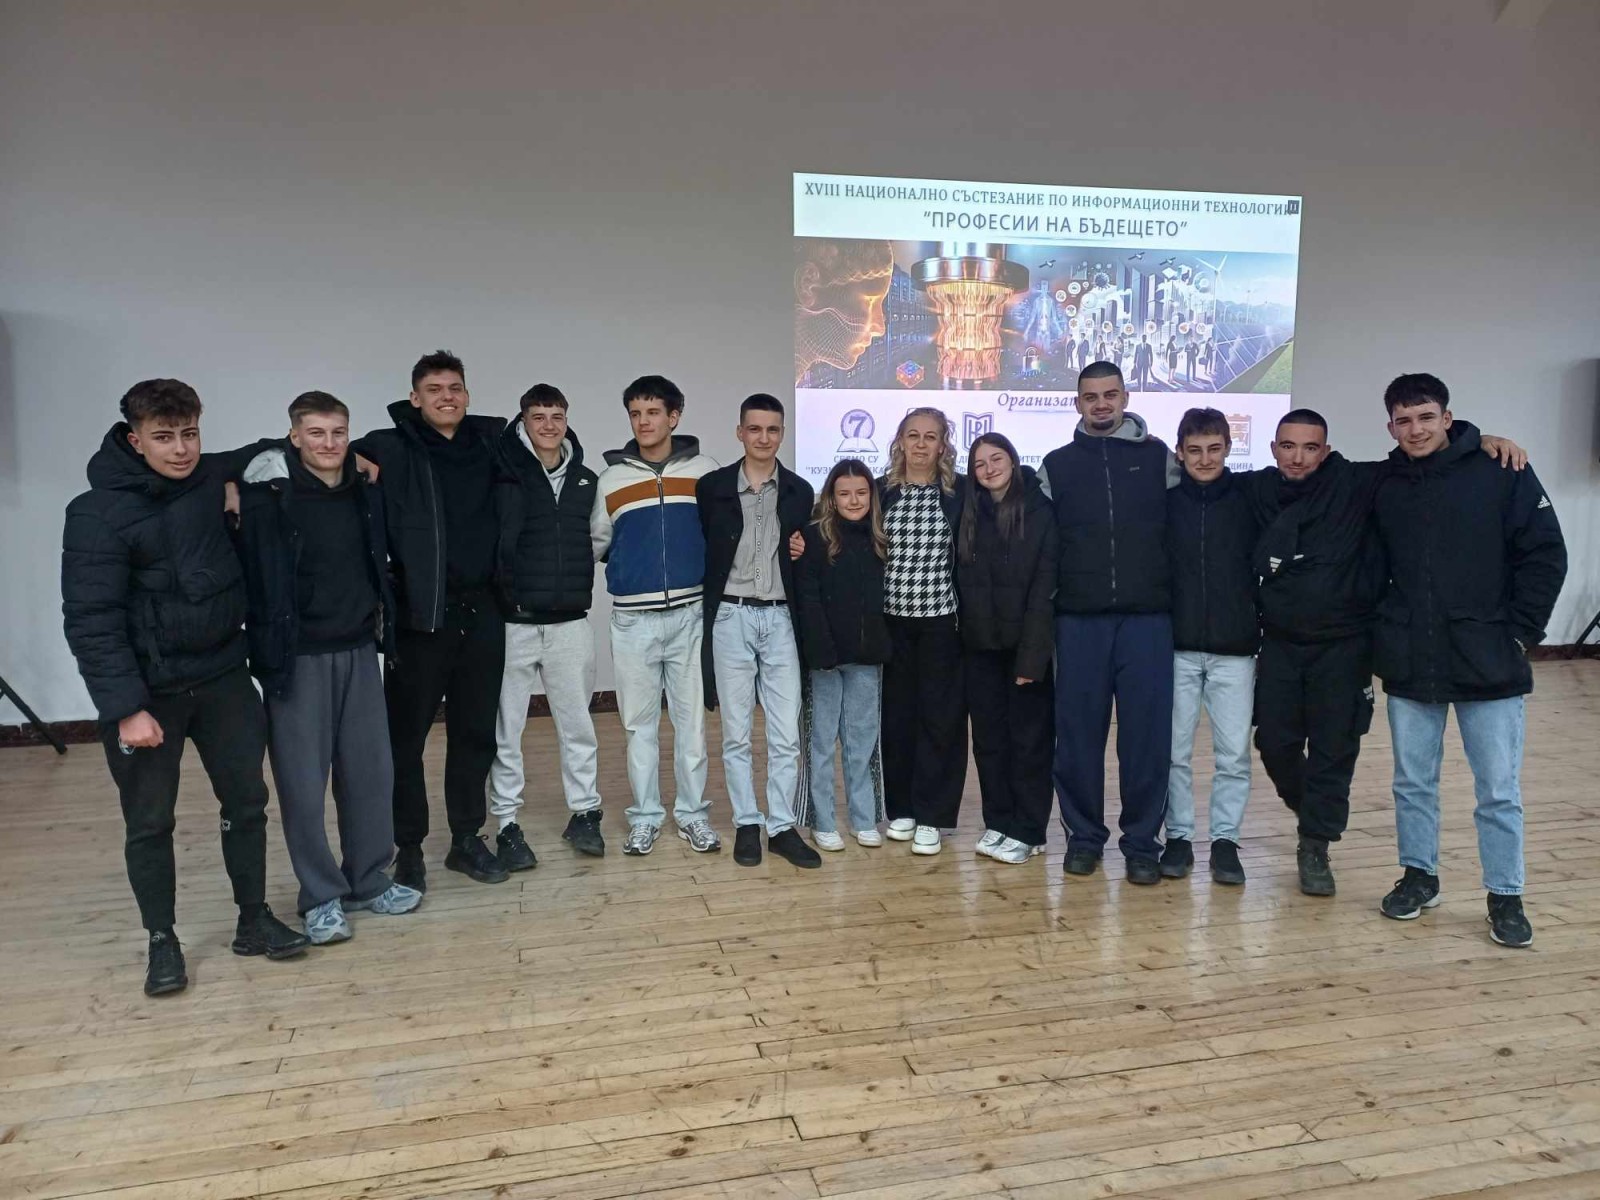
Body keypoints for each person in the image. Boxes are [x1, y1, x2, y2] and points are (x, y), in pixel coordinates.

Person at [61, 379, 308, 997]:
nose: (181, 450)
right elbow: (90, 621)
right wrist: (126, 708)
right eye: (165, 437)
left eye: (190, 434)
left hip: (224, 678)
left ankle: (253, 920)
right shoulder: (95, 513)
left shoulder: (208, 476)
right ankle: (162, 939)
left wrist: (353, 454)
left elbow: (269, 447)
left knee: (246, 803)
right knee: (150, 822)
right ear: (134, 440)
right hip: (149, 695)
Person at [1243, 409, 1527, 897]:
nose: (1298, 457)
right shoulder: (1255, 490)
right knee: (1274, 744)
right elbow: (1199, 475)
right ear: (1273, 449)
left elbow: (1425, 457)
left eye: (1310, 447)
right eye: (1288, 446)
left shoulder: (1358, 482)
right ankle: (1313, 811)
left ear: (1326, 451)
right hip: (1281, 644)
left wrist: (1478, 441)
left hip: (1346, 646)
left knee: (1334, 749)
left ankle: (1315, 843)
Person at [1371, 374, 1565, 948]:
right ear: (1390, 427)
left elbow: (1545, 553)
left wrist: (1521, 634)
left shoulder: (1502, 470)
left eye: (1426, 417)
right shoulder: (1382, 483)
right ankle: (1419, 876)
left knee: (1498, 789)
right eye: (1404, 420)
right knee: (1412, 782)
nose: (1416, 430)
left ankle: (1505, 895)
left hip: (1490, 661)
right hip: (1412, 658)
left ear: (1447, 418)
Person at [235, 391, 421, 944]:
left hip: (359, 649)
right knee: (303, 785)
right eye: (315, 433)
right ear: (294, 437)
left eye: (338, 432)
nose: (329, 443)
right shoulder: (267, 494)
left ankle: (368, 880)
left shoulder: (365, 491)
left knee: (370, 775)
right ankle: (320, 897)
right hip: (297, 658)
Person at [351, 350, 510, 891]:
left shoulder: (491, 443)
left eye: (455, 388)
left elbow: (551, 445)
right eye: (435, 389)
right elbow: (310, 449)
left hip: (483, 611)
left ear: (467, 395)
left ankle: (466, 839)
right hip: (421, 618)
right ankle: (410, 848)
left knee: (474, 734)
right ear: (415, 397)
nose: (447, 397)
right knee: (406, 740)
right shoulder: (387, 447)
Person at [1039, 362, 1177, 884]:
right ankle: (1083, 838)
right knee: (1077, 738)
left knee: (1146, 740)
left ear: (1125, 397)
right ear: (1077, 402)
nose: (1101, 404)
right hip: (1079, 623)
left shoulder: (1160, 459)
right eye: (1091, 396)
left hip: (1147, 622)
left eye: (1110, 395)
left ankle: (1141, 844)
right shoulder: (1056, 466)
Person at [591, 375, 720, 856]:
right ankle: (645, 817)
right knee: (638, 725)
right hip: (632, 621)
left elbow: (721, 532)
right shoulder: (611, 480)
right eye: (635, 414)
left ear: (674, 417)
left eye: (652, 412)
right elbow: (599, 543)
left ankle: (692, 815)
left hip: (690, 615)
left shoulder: (706, 472)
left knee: (691, 725)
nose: (643, 422)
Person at [698, 394, 820, 869]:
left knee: (785, 732)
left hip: (781, 618)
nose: (763, 437)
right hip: (730, 616)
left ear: (782, 434)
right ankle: (747, 822)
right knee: (736, 732)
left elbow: (806, 551)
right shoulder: (712, 488)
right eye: (755, 428)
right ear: (740, 432)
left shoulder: (799, 491)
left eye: (772, 429)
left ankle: (782, 826)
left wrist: (802, 549)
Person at [490, 383, 605, 864]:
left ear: (566, 420)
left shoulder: (587, 480)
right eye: (538, 417)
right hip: (513, 623)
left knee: (578, 726)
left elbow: (598, 539)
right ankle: (506, 824)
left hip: (570, 624)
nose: (548, 425)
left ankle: (585, 814)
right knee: (506, 731)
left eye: (556, 416)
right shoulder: (503, 474)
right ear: (523, 421)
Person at [1162, 408, 1259, 885]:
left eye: (1214, 449)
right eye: (1195, 450)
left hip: (1234, 650)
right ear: (1179, 453)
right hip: (1175, 649)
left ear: (1228, 448)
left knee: (1233, 754)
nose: (1205, 459)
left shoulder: (1250, 497)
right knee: (1173, 752)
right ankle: (1178, 838)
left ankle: (1225, 842)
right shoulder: (1164, 503)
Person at [956, 433, 1058, 865]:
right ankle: (998, 822)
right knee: (989, 743)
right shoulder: (969, 513)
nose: (989, 469)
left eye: (996, 459)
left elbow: (1044, 589)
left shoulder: (1040, 512)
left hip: (1024, 652)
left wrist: (1032, 658)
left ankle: (1029, 830)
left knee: (1029, 744)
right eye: (979, 464)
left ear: (1014, 462)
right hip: (981, 650)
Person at [878, 408, 968, 854]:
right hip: (890, 624)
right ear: (900, 441)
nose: (920, 444)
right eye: (912, 435)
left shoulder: (960, 493)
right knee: (897, 718)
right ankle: (902, 809)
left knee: (940, 720)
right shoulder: (880, 491)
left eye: (930, 437)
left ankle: (932, 815)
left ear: (943, 445)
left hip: (941, 624)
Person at [793, 459, 891, 849]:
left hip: (866, 659)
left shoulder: (881, 539)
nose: (854, 500)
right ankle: (822, 821)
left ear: (872, 495)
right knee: (820, 742)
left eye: (861, 493)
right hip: (825, 660)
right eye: (844, 493)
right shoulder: (813, 537)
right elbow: (808, 598)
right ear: (831, 497)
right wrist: (820, 650)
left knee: (862, 742)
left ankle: (863, 819)